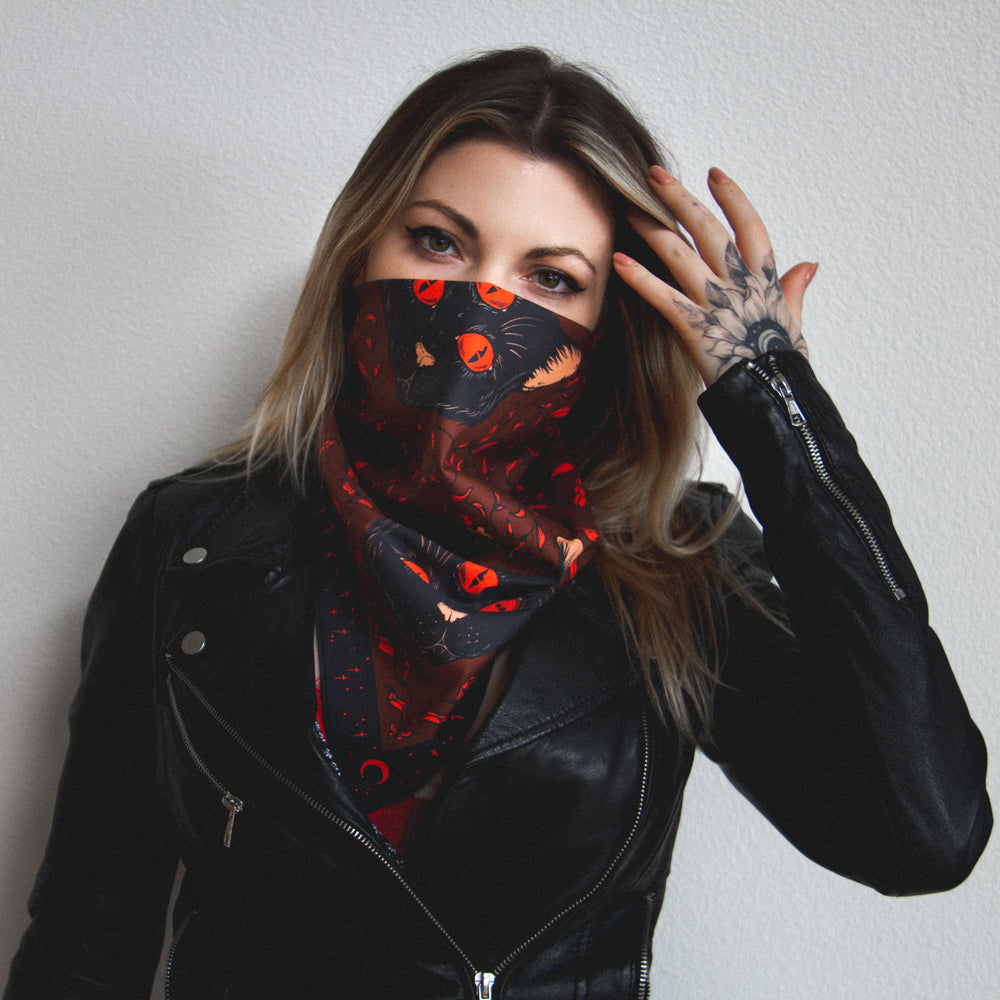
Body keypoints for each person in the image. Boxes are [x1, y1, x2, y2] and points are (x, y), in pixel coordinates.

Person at [4, 47, 991, 1000]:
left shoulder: (678, 564)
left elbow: (922, 832)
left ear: (606, 333)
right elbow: (93, 929)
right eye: (438, 241)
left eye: (551, 279)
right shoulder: (193, 538)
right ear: (360, 257)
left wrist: (772, 403)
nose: (479, 310)